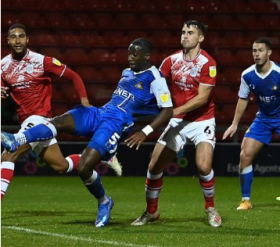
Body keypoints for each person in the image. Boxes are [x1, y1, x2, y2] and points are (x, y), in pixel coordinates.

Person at [1, 38, 173, 227]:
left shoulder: (155, 78)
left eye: (135, 54)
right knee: (58, 121)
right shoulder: (126, 72)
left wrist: (145, 131)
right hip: (101, 112)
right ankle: (17, 139)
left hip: (116, 124)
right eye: (128, 53)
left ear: (147, 56)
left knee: (84, 167)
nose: (130, 57)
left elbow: (167, 110)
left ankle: (104, 201)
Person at [1, 23, 121, 201]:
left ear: (27, 39)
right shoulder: (3, 66)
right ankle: (99, 156)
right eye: (13, 37)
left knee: (9, 154)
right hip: (27, 122)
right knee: (61, 166)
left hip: (40, 118)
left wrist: (84, 100)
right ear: (8, 40)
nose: (17, 40)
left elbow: (73, 75)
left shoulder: (41, 61)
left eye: (21, 36)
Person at [131, 20, 222, 228]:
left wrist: (172, 111)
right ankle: (151, 211)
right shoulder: (171, 61)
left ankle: (210, 208)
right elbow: (154, 85)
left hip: (201, 120)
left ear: (200, 38)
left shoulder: (208, 63)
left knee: (203, 165)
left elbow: (202, 98)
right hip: (177, 120)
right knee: (154, 166)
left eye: (190, 32)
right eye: (183, 32)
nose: (185, 35)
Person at [223, 39, 280, 210]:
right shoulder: (247, 75)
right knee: (244, 156)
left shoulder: (278, 72)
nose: (256, 54)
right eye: (254, 50)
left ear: (269, 53)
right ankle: (245, 200)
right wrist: (234, 124)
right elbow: (243, 98)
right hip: (263, 118)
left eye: (260, 50)